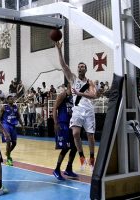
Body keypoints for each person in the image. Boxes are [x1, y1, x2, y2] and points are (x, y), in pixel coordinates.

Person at [55, 42, 97, 171]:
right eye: (79, 66)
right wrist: (59, 50)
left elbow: (94, 95)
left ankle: (91, 159)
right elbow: (63, 65)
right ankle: (82, 157)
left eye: (83, 66)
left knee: (90, 136)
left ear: (86, 69)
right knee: (76, 134)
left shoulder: (90, 82)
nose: (80, 68)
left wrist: (80, 93)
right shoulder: (73, 79)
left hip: (89, 110)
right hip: (77, 110)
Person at [53, 83, 78, 180]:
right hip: (63, 123)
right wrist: (56, 123)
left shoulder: (75, 97)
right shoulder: (63, 95)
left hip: (72, 123)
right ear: (69, 86)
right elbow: (55, 108)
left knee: (75, 147)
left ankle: (68, 168)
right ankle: (57, 169)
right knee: (65, 148)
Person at [0, 95, 25, 166]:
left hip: (13, 126)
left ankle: (8, 152)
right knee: (8, 142)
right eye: (10, 99)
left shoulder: (16, 107)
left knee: (14, 143)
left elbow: (19, 117)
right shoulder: (4, 107)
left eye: (12, 99)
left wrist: (22, 126)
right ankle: (8, 159)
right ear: (7, 100)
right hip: (5, 125)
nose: (12, 100)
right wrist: (0, 128)